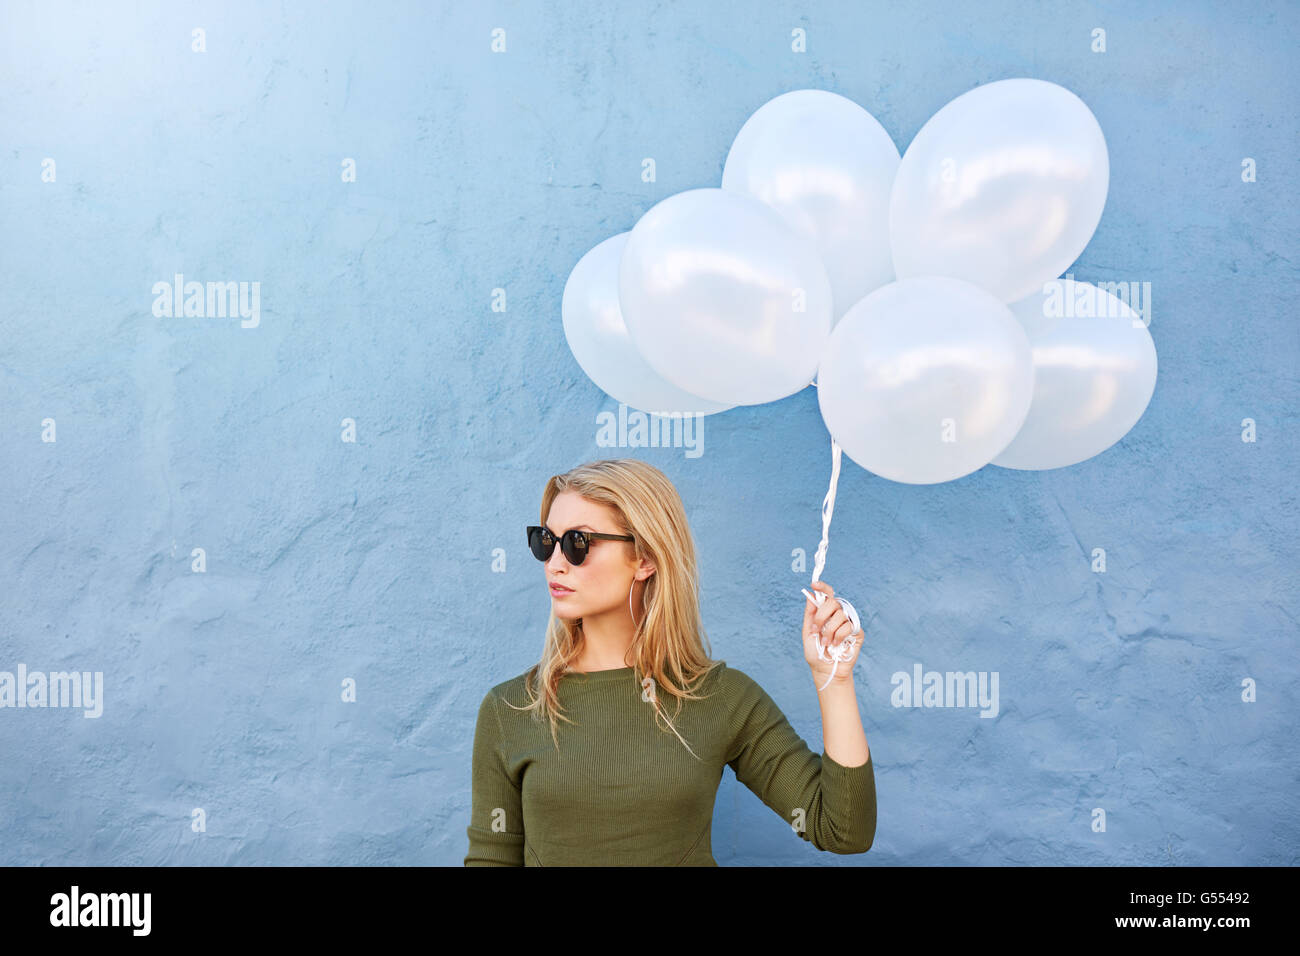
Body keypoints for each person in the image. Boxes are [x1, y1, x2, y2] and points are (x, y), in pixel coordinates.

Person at [464, 458, 876, 865]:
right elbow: (491, 860)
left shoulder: (722, 698)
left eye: (577, 543)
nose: (554, 563)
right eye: (545, 541)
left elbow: (842, 830)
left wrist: (834, 681)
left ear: (645, 558)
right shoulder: (510, 709)